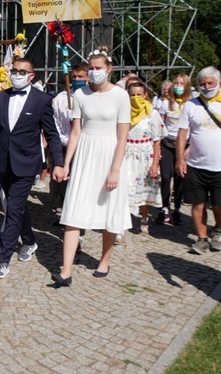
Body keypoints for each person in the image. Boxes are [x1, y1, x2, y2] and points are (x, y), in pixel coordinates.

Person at [0, 57, 65, 279]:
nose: (17, 74)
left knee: (13, 209)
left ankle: (2, 259)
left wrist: (57, 163)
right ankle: (29, 241)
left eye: (23, 71)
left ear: (31, 76)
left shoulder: (42, 100)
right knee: (15, 207)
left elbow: (52, 135)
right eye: (15, 70)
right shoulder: (1, 98)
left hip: (27, 164)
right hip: (4, 162)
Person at [53, 47, 131, 287]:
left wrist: (115, 170)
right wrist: (66, 164)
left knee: (109, 212)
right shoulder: (80, 95)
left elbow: (122, 137)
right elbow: (75, 132)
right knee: (73, 212)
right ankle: (66, 271)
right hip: (85, 155)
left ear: (108, 69)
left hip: (110, 155)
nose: (94, 72)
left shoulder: (120, 96)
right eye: (91, 68)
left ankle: (104, 260)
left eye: (98, 68)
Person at [175, 66, 221, 254]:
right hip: (196, 164)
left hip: (219, 165)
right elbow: (182, 133)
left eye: (210, 83)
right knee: (197, 203)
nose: (206, 86)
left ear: (218, 83)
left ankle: (218, 230)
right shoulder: (190, 105)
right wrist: (180, 159)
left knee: (219, 204)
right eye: (202, 83)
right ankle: (202, 237)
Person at [124, 81, 165, 234]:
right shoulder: (124, 111)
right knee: (125, 188)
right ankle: (122, 222)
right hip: (128, 154)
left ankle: (144, 218)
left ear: (145, 95)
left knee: (145, 188)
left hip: (145, 154)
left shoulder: (151, 113)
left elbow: (157, 139)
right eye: (132, 95)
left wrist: (155, 164)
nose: (135, 98)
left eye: (138, 95)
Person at [51, 64, 89, 213]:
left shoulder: (90, 96)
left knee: (81, 182)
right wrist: (63, 139)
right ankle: (65, 212)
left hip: (84, 145)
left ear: (87, 78)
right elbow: (55, 123)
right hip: (64, 144)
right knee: (63, 183)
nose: (77, 79)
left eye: (80, 77)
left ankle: (79, 215)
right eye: (74, 77)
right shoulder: (61, 98)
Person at [156, 73, 192, 225]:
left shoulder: (191, 104)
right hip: (167, 141)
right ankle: (164, 208)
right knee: (165, 177)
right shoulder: (166, 103)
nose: (177, 86)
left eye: (181, 84)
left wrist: (189, 148)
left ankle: (177, 209)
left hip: (184, 144)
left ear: (187, 86)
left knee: (180, 178)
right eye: (175, 83)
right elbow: (161, 124)